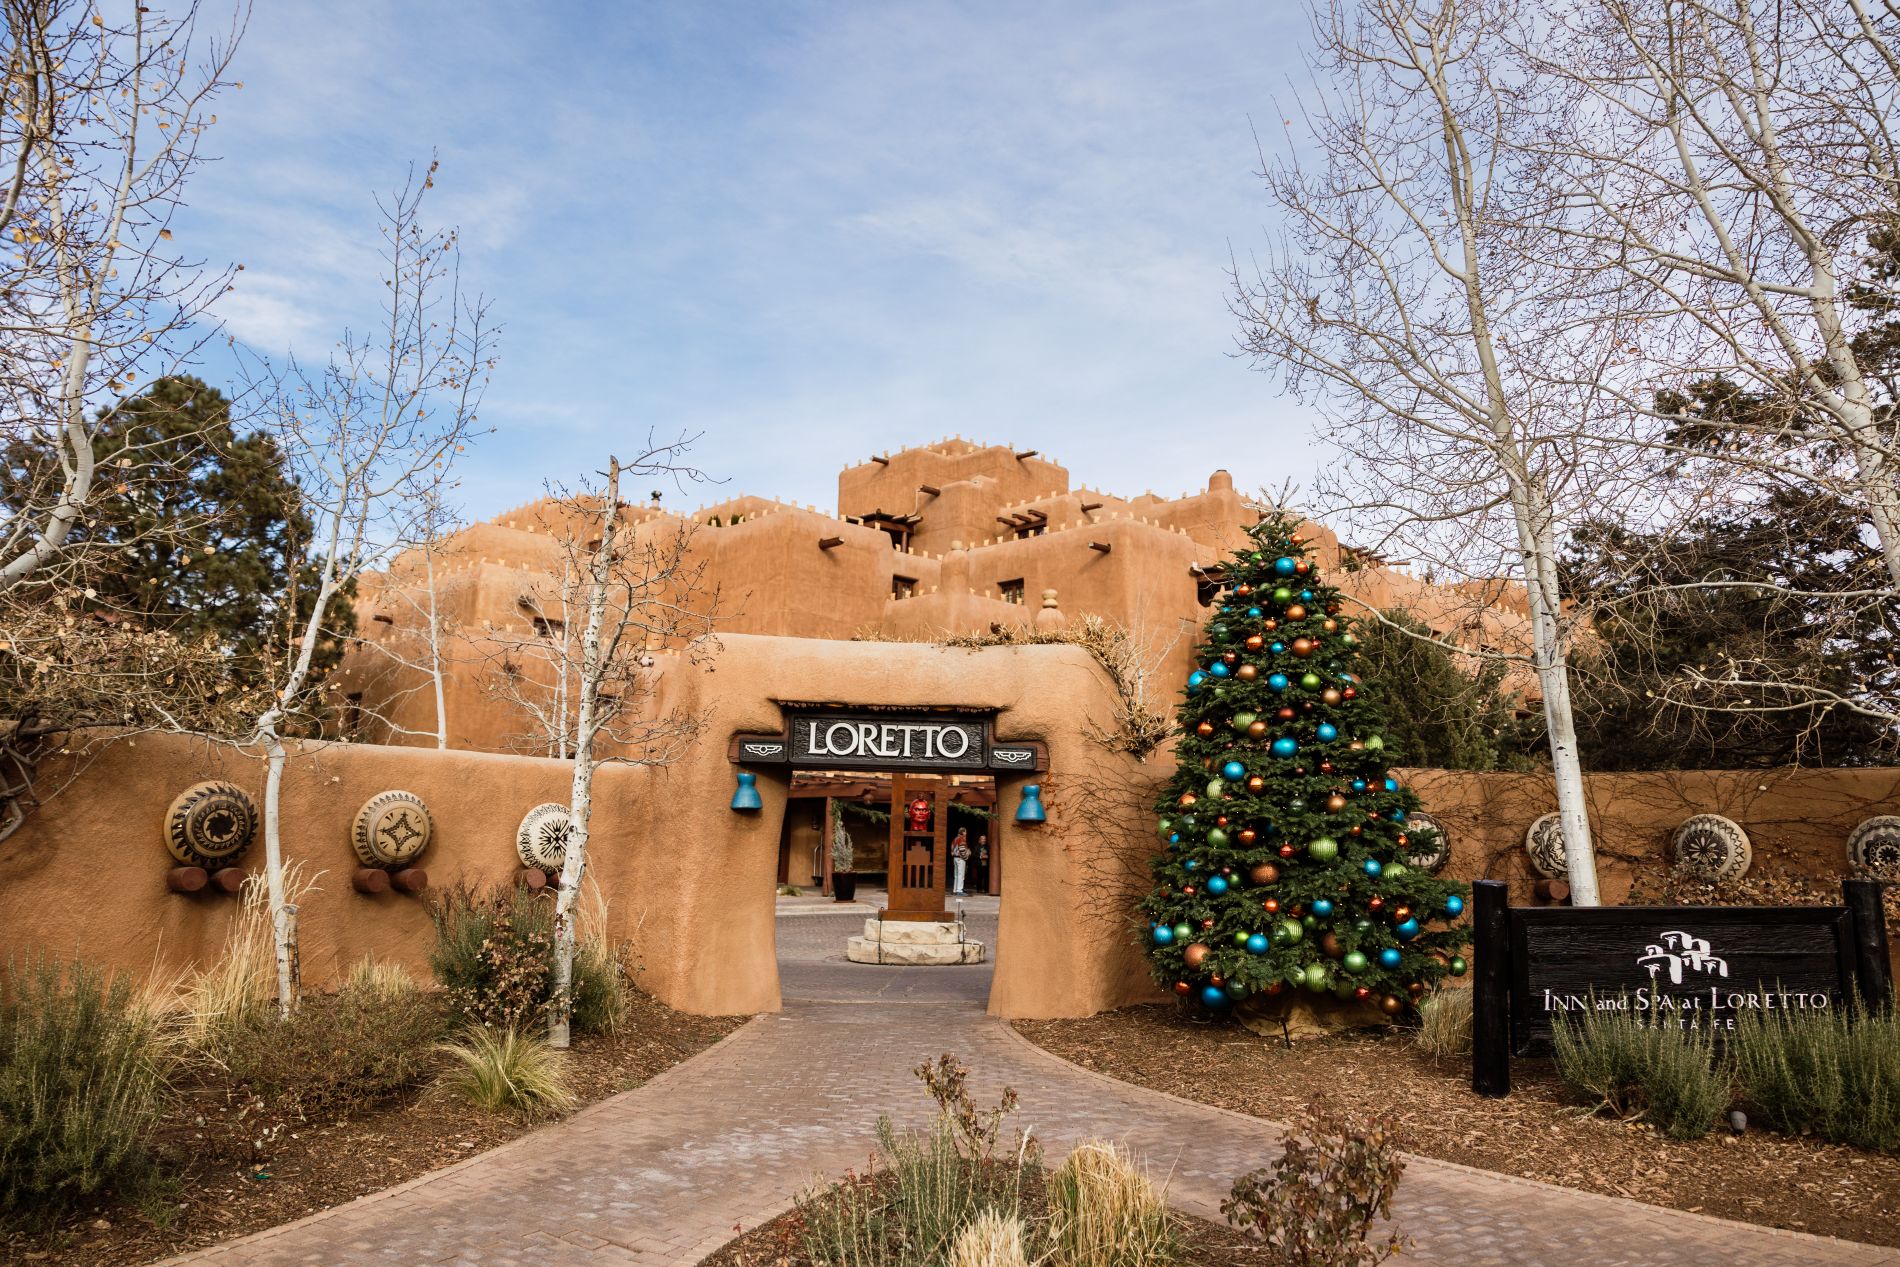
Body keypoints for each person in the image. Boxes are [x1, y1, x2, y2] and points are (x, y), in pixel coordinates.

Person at [949, 826, 971, 896]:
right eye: (965, 831)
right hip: (960, 858)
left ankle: (955, 890)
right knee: (961, 875)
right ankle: (959, 890)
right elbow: (962, 849)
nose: (966, 833)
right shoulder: (962, 839)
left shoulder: (955, 839)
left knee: (956, 875)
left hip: (955, 858)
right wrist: (966, 856)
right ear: (963, 832)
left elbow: (952, 848)